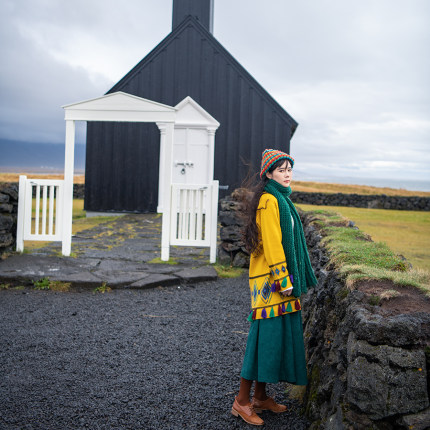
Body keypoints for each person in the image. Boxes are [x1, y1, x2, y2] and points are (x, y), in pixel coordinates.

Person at [231, 148, 318, 426]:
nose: (287, 174)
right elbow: (271, 242)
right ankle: (241, 402)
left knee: (273, 341)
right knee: (261, 342)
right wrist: (283, 278)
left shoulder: (282, 200)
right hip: (272, 283)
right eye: (281, 170)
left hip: (279, 282)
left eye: (289, 169)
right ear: (268, 174)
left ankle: (260, 397)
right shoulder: (270, 201)